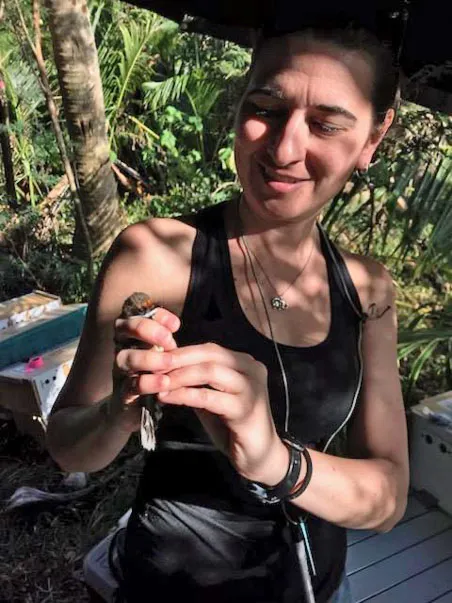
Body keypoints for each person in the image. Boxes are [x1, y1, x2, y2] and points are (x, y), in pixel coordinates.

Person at [47, 24, 409, 603]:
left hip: (315, 582)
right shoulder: (156, 256)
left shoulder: (368, 290)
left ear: (373, 138)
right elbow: (68, 446)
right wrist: (121, 406)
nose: (285, 149)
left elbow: (388, 499)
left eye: (326, 124)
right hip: (171, 586)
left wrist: (272, 458)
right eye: (266, 107)